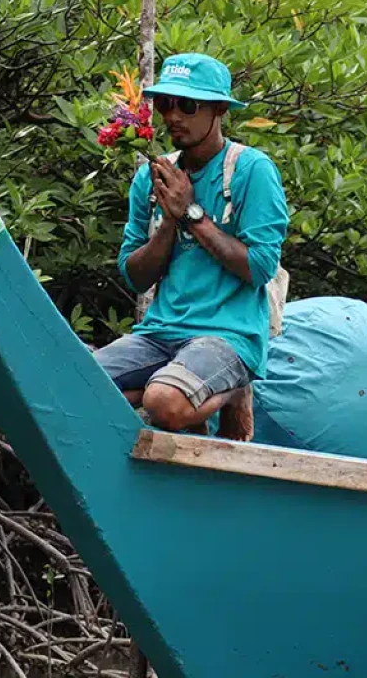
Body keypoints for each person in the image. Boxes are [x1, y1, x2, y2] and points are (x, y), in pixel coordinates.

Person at [94, 53, 289, 440]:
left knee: (163, 402)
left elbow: (260, 267)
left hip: (226, 336)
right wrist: (168, 219)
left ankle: (233, 389)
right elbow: (134, 275)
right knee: (76, 384)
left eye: (187, 105)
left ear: (219, 110)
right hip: (159, 333)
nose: (173, 116)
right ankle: (182, 396)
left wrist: (192, 214)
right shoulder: (154, 177)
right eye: (165, 104)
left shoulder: (252, 171)